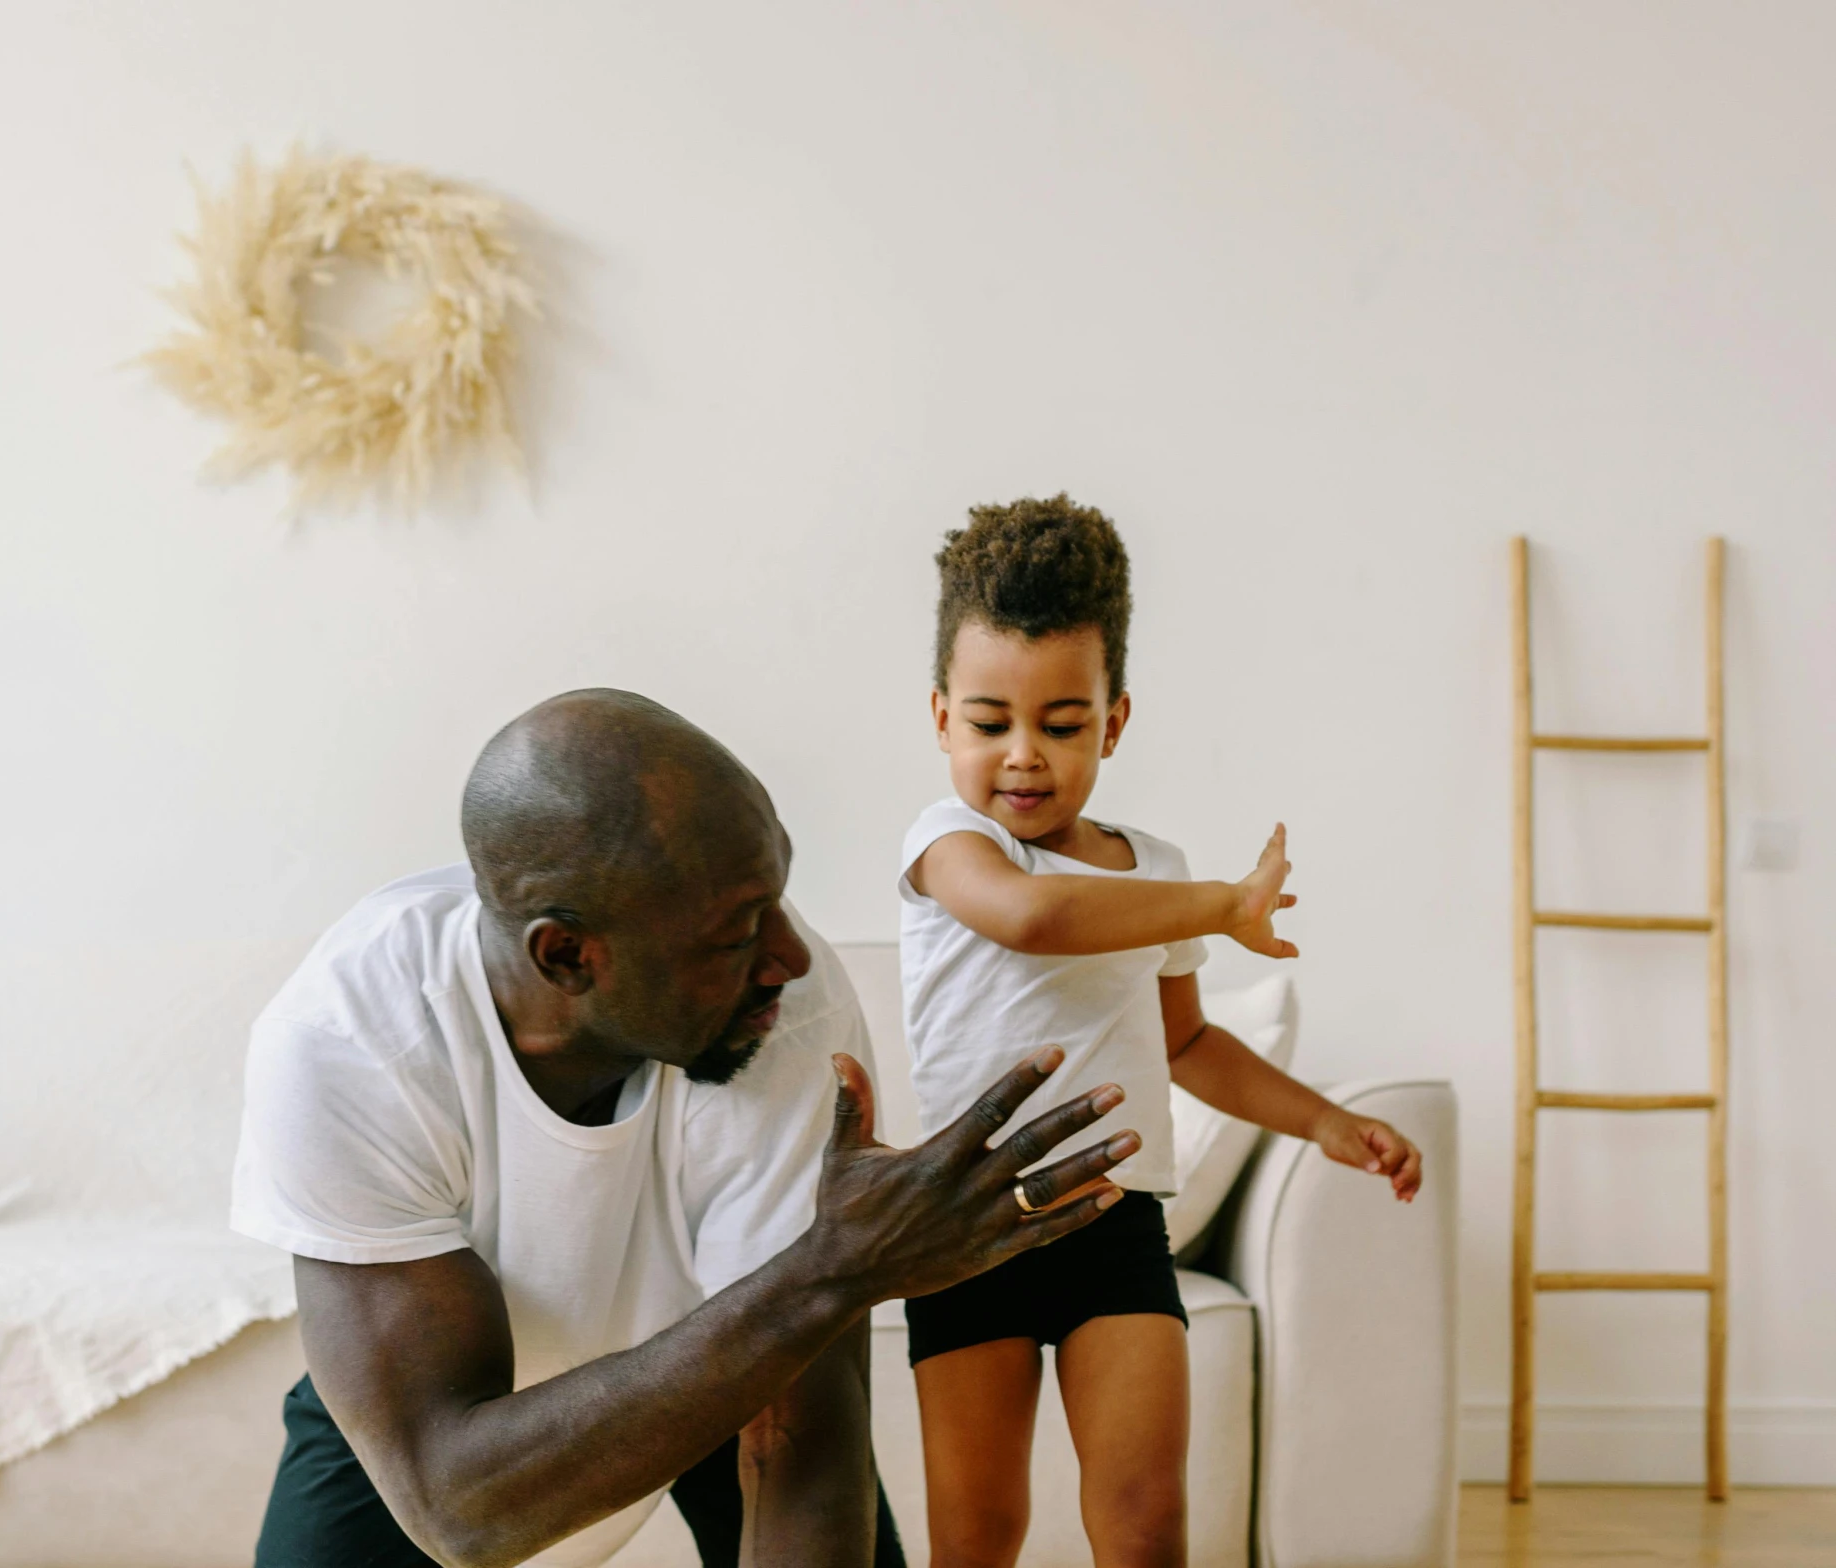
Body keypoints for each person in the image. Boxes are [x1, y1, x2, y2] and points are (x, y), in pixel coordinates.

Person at [232, 689, 1142, 1568]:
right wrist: (837, 1267)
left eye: (776, 899)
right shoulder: (354, 1039)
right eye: (735, 932)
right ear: (566, 954)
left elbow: (799, 1447)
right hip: (445, 1424)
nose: (788, 954)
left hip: (726, 1338)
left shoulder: (786, 1007)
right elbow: (458, 1508)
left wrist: (821, 1281)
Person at [898, 497, 1425, 1568]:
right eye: (991, 721)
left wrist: (1321, 1119)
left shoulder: (1157, 870)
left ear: (1114, 720)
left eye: (1062, 722)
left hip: (1112, 1228)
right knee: (977, 1531)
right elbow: (1035, 917)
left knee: (1143, 1522)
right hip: (963, 1227)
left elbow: (1186, 1046)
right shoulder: (947, 843)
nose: (1023, 756)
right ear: (942, 715)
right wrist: (1224, 907)